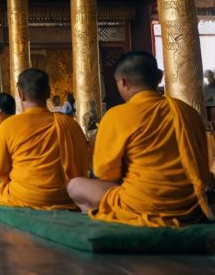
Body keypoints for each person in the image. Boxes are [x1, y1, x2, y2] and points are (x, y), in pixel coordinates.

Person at [67, 51, 215, 227]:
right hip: (190, 207)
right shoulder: (187, 112)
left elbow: (106, 173)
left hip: (141, 204)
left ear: (124, 82)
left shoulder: (117, 115)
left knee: (74, 185)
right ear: (159, 77)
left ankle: (111, 216)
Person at [0, 69, 88, 210]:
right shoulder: (70, 124)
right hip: (65, 196)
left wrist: (24, 183)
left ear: (21, 94)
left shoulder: (8, 126)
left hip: (23, 197)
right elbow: (82, 166)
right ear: (48, 92)